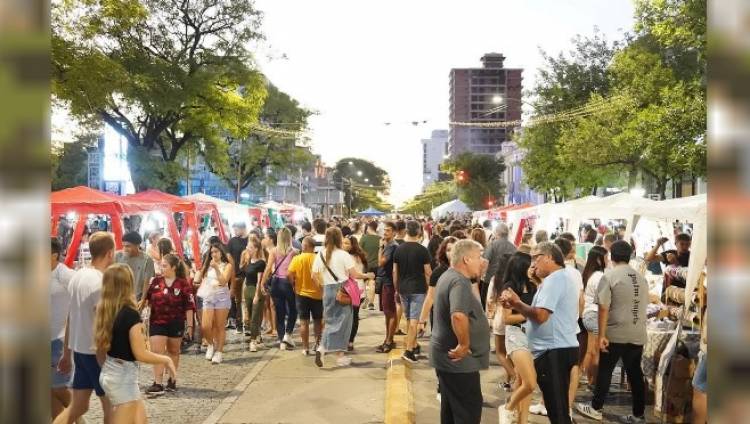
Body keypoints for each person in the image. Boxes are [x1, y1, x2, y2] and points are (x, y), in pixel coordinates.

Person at [500, 242, 579, 424]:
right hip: (556, 349)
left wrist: (517, 303)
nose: (533, 264)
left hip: (554, 352)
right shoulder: (558, 279)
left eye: (536, 258)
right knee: (557, 410)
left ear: (550, 257)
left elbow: (541, 316)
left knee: (558, 413)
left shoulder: (555, 280)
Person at [575, 241, 648, 423]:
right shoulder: (641, 277)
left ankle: (596, 407)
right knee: (635, 373)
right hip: (637, 332)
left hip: (615, 332)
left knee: (606, 370)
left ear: (611, 256)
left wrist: (601, 335)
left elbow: (603, 307)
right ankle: (639, 415)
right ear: (629, 256)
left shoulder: (610, 276)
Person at [94, 264, 176, 423]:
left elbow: (100, 350)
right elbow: (140, 354)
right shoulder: (129, 314)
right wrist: (166, 359)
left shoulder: (105, 310)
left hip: (111, 371)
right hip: (123, 376)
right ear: (128, 284)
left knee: (141, 421)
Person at [54, 232, 116, 424]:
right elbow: (103, 321)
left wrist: (66, 353)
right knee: (111, 406)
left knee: (79, 406)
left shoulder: (78, 276)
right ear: (110, 253)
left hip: (80, 351)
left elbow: (70, 315)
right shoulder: (100, 282)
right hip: (96, 353)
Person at [430, 239, 491, 424]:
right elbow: (458, 315)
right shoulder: (459, 281)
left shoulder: (449, 276)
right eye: (479, 257)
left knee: (451, 411)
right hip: (458, 362)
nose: (483, 261)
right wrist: (464, 345)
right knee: (467, 412)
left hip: (449, 360)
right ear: (466, 259)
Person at [311, 227, 375, 367]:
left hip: (327, 290)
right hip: (343, 290)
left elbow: (314, 275)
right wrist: (368, 275)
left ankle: (332, 353)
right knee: (344, 324)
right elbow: (355, 274)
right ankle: (330, 352)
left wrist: (323, 287)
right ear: (339, 238)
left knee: (330, 322)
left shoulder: (321, 254)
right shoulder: (343, 254)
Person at [139, 254, 195, 395]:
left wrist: (190, 326)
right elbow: (146, 300)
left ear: (174, 267)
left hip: (176, 322)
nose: (162, 268)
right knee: (157, 352)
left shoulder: (183, 284)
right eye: (161, 265)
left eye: (165, 265)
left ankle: (172, 379)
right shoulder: (156, 282)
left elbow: (189, 306)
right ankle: (157, 383)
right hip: (157, 322)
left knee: (173, 351)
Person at [497, 252, 537, 424]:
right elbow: (507, 319)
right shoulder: (509, 287)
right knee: (530, 383)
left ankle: (523, 420)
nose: (533, 267)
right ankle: (508, 407)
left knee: (522, 381)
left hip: (532, 335)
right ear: (521, 266)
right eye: (531, 264)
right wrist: (530, 315)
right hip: (516, 336)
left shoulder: (533, 284)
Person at [394, 220, 432, 363]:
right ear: (418, 232)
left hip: (403, 288)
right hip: (418, 289)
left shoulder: (399, 249)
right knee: (414, 321)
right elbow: (428, 272)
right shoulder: (422, 250)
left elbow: (394, 271)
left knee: (410, 318)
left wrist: (396, 288)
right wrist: (431, 288)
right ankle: (409, 351)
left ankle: (414, 345)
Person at [554, 237, 586, 411]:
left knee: (553, 367)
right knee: (572, 366)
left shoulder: (555, 272)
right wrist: (577, 317)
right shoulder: (575, 272)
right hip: (572, 325)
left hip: (556, 326)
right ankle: (568, 405)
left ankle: (550, 404)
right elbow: (581, 300)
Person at [50, 238, 77, 421]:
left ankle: (79, 413)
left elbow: (82, 300)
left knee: (58, 386)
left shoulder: (66, 274)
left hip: (59, 339)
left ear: (53, 255)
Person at [260, 227, 298, 349]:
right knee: (293, 310)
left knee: (279, 312)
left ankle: (282, 340)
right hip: (289, 283)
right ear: (290, 237)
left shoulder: (274, 251)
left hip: (276, 283)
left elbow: (268, 268)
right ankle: (288, 334)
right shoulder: (295, 252)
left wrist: (262, 282)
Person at [194, 243, 233, 364]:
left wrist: (216, 268)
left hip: (221, 296)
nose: (214, 254)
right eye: (212, 252)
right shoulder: (207, 265)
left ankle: (219, 352)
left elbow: (223, 281)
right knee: (205, 325)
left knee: (219, 325)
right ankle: (210, 344)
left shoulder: (227, 265)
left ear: (221, 252)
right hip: (209, 295)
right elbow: (198, 279)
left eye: (216, 251)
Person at [486, 252, 517, 392]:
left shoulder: (496, 279)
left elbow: (489, 300)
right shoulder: (516, 281)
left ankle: (515, 377)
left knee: (500, 352)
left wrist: (489, 316)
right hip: (514, 318)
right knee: (510, 353)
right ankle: (508, 381)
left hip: (500, 316)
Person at [287, 237, 322, 356]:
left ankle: (305, 348)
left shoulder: (297, 259)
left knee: (304, 322)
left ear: (305, 246)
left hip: (301, 294)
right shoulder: (319, 259)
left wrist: (293, 284)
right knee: (318, 321)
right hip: (318, 294)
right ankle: (318, 345)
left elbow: (289, 274)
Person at [580, 246, 609, 387]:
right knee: (594, 352)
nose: (608, 260)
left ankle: (586, 379)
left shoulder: (590, 274)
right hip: (594, 315)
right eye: (606, 257)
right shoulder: (599, 276)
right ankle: (589, 380)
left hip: (588, 314)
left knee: (590, 351)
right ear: (599, 259)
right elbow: (604, 300)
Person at [375, 221, 399, 353]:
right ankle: (388, 339)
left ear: (394, 232)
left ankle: (389, 341)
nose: (385, 233)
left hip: (389, 283)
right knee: (387, 312)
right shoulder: (389, 245)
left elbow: (381, 262)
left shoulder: (391, 246)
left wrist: (380, 248)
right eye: (384, 230)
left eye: (388, 230)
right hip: (386, 282)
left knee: (390, 312)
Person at [240, 237, 267, 352]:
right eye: (248, 247)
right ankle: (258, 335)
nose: (248, 249)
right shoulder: (248, 261)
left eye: (250, 247)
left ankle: (253, 341)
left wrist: (257, 295)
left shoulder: (261, 263)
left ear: (256, 249)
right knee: (251, 316)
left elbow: (259, 280)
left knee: (255, 316)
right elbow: (246, 277)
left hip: (256, 290)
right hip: (248, 290)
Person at [483, 222, 517, 309]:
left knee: (486, 304)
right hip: (506, 282)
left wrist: (481, 277)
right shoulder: (513, 247)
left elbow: (485, 262)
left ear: (496, 232)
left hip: (490, 279)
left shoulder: (493, 244)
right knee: (500, 306)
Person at [114, 231, 156, 301]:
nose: (125, 249)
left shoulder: (147, 260)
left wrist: (143, 299)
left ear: (137, 245)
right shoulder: (118, 256)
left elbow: (147, 282)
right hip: (118, 297)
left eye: (128, 246)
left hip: (137, 298)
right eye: (123, 246)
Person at [344, 235, 368, 351]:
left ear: (353, 245)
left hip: (350, 290)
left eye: (347, 243)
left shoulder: (347, 257)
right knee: (354, 317)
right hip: (360, 290)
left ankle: (347, 341)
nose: (344, 245)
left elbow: (352, 274)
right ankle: (350, 341)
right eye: (343, 243)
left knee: (349, 317)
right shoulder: (360, 256)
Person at [226, 222, 249, 333]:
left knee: (247, 301)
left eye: (236, 229)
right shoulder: (232, 241)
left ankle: (248, 324)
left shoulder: (250, 240)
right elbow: (228, 257)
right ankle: (239, 325)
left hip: (249, 275)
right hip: (236, 275)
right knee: (238, 301)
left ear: (243, 228)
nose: (234, 231)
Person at [359, 221, 381, 311]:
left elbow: (359, 250)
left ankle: (365, 299)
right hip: (377, 264)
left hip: (366, 264)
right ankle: (371, 303)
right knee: (372, 282)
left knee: (363, 283)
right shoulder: (380, 238)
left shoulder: (364, 238)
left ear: (368, 228)